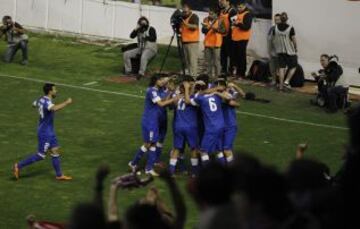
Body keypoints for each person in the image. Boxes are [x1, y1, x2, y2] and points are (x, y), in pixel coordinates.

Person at [13, 83, 73, 180]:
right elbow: (54, 108)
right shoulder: (47, 103)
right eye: (54, 89)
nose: (56, 91)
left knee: (55, 150)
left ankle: (59, 175)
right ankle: (18, 166)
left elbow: (34, 104)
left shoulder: (41, 99)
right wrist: (66, 102)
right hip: (45, 132)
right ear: (50, 91)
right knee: (41, 155)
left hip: (49, 131)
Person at [128, 74, 178, 176]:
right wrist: (174, 98)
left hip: (155, 121)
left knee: (153, 143)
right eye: (161, 80)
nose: (163, 82)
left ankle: (148, 168)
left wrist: (170, 91)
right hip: (150, 121)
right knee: (149, 144)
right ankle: (133, 163)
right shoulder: (151, 90)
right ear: (156, 81)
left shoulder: (159, 90)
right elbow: (161, 104)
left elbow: (164, 100)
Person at [184, 80, 231, 166]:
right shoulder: (216, 96)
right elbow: (228, 97)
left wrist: (187, 88)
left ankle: (208, 174)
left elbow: (187, 101)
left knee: (203, 152)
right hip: (221, 126)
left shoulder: (200, 98)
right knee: (218, 150)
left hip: (211, 128)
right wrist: (216, 92)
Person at [169, 82, 200, 177]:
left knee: (176, 149)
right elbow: (190, 99)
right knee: (193, 149)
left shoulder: (177, 97)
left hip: (178, 126)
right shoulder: (193, 98)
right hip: (190, 127)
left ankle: (171, 172)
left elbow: (172, 104)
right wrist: (190, 88)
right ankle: (194, 172)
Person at [273, 12, 298, 91]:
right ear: (287, 19)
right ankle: (286, 82)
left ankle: (280, 86)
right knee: (294, 66)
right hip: (290, 51)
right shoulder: (290, 28)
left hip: (280, 51)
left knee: (281, 68)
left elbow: (274, 39)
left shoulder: (275, 27)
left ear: (280, 19)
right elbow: (294, 40)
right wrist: (295, 47)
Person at [230, 2, 253, 78]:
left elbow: (247, 27)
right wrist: (233, 25)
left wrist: (238, 23)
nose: (239, 9)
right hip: (235, 38)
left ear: (244, 6)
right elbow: (233, 23)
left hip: (243, 39)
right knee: (235, 56)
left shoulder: (247, 14)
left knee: (241, 56)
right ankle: (236, 72)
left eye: (240, 7)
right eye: (238, 7)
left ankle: (242, 73)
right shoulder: (236, 14)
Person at [202, 7, 225, 78]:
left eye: (211, 14)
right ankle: (208, 77)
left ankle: (217, 78)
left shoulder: (220, 20)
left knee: (216, 63)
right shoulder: (206, 19)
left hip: (216, 44)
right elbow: (203, 31)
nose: (210, 15)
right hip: (207, 43)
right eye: (209, 13)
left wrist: (215, 29)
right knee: (207, 62)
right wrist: (205, 28)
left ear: (216, 14)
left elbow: (223, 31)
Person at [180, 3, 200, 77]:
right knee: (187, 61)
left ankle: (194, 77)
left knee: (192, 61)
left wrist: (186, 24)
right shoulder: (183, 17)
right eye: (183, 10)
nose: (184, 12)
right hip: (185, 41)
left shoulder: (194, 16)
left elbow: (195, 26)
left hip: (192, 42)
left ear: (190, 9)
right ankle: (189, 76)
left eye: (186, 10)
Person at [218, 0, 237, 75]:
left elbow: (234, 24)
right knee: (223, 54)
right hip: (222, 36)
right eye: (220, 1)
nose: (221, 2)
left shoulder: (233, 11)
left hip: (230, 37)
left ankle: (231, 70)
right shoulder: (221, 11)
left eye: (223, 1)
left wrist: (231, 35)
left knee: (231, 54)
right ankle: (223, 70)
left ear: (228, 2)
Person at [267, 14, 282, 86]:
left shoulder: (284, 29)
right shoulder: (272, 28)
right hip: (272, 52)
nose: (277, 21)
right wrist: (269, 52)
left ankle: (280, 82)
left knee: (280, 69)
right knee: (272, 68)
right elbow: (268, 40)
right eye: (275, 20)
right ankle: (273, 81)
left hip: (281, 53)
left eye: (278, 20)